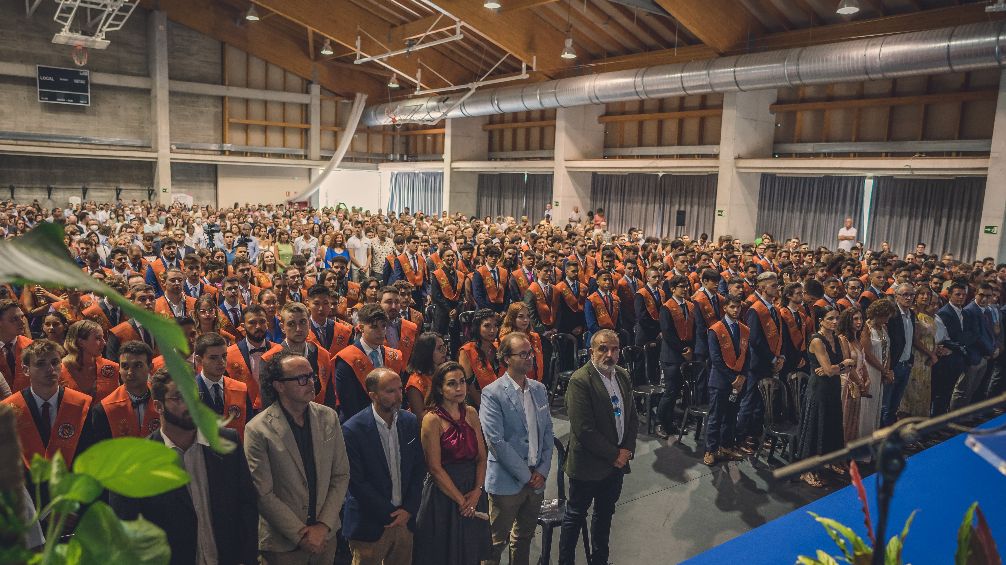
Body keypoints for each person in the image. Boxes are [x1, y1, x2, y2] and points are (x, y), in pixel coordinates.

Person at [109, 368, 259, 565]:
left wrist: (247, 558)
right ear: (158, 406)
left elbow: (246, 504)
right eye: (179, 397)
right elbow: (127, 534)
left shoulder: (226, 442)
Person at [245, 351, 350, 564]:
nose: (311, 382)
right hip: (283, 545)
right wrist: (302, 534)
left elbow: (340, 475)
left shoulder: (328, 417)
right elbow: (263, 493)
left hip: (325, 538)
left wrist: (323, 526)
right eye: (302, 379)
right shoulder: (258, 429)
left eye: (311, 376)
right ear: (279, 385)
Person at [559, 329, 638, 565]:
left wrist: (627, 451)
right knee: (575, 517)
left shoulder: (622, 375)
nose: (609, 354)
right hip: (588, 466)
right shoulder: (580, 380)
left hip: (616, 465)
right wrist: (615, 454)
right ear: (591, 351)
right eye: (603, 348)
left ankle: (599, 561)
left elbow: (632, 417)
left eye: (614, 349)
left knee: (604, 516)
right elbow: (584, 430)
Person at [478, 332, 553, 565]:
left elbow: (548, 433)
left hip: (536, 480)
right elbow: (496, 442)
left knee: (524, 538)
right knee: (495, 543)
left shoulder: (539, 389)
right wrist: (527, 476)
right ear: (506, 358)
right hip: (507, 481)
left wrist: (542, 470)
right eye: (523, 354)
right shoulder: (492, 393)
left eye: (530, 352)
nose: (530, 357)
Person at [342, 368, 426, 565]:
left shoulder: (410, 421)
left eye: (399, 389)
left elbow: (418, 468)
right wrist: (389, 514)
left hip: (405, 520)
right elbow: (356, 482)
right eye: (390, 391)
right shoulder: (352, 429)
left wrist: (408, 509)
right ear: (373, 395)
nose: (398, 396)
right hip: (370, 523)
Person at [414, 361, 491, 564]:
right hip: (444, 496)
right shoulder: (431, 419)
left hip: (473, 491)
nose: (459, 388)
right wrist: (462, 501)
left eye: (462, 382)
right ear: (440, 388)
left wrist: (477, 491)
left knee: (471, 555)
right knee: (444, 556)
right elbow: (435, 468)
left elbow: (482, 458)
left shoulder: (472, 413)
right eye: (451, 384)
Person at [2, 339, 94, 468]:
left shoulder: (82, 404)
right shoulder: (9, 409)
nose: (50, 369)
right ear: (26, 370)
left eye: (55, 362)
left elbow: (90, 453)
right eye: (40, 364)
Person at [797, 306, 852, 487]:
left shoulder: (838, 338)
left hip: (834, 387)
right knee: (815, 427)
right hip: (818, 390)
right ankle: (807, 470)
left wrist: (838, 366)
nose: (835, 322)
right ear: (821, 320)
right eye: (830, 318)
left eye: (837, 318)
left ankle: (831, 460)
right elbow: (830, 369)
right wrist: (841, 365)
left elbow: (850, 363)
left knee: (832, 424)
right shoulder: (816, 341)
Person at [335, 303, 405, 422]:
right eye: (374, 327)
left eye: (383, 326)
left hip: (392, 420)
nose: (380, 331)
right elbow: (349, 404)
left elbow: (401, 395)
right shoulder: (346, 359)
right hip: (359, 424)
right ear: (361, 327)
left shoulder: (394, 355)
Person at [703, 296, 747, 466]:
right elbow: (715, 359)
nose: (736, 310)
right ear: (725, 309)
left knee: (731, 416)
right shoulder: (716, 329)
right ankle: (710, 450)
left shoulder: (744, 329)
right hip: (720, 381)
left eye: (738, 307)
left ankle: (726, 447)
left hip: (739, 379)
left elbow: (747, 355)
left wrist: (742, 376)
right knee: (715, 417)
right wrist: (733, 379)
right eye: (732, 307)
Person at [656, 274, 697, 439]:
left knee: (678, 391)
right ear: (673, 289)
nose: (685, 289)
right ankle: (661, 423)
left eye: (687, 286)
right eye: (681, 286)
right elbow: (667, 333)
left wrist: (690, 348)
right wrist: (683, 350)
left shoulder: (690, 306)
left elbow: (693, 330)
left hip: (685, 353)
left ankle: (671, 424)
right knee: (670, 391)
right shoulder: (666, 307)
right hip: (672, 355)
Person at [90, 340, 158, 440]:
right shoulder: (103, 410)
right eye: (125, 366)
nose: (130, 372)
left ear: (150, 368)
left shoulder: (164, 400)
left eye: (137, 365)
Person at [193, 332, 255, 439]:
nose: (221, 362)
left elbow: (250, 427)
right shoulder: (188, 391)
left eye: (224, 356)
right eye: (213, 358)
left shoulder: (241, 388)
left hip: (237, 452)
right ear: (199, 360)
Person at [951, 282, 998, 409]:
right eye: (981, 295)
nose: (984, 299)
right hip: (972, 357)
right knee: (962, 391)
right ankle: (952, 420)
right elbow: (977, 336)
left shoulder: (987, 310)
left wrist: (994, 347)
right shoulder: (969, 311)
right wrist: (990, 350)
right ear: (975, 294)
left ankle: (963, 417)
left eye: (988, 296)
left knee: (972, 390)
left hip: (983, 357)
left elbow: (991, 332)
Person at [882, 283, 919, 426]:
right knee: (885, 406)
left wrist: (910, 361)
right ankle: (881, 439)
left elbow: (910, 340)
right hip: (893, 366)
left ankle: (890, 436)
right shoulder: (892, 315)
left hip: (905, 365)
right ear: (896, 297)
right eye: (905, 295)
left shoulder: (912, 314)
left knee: (894, 406)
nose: (909, 298)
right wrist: (888, 367)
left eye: (911, 295)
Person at [859, 299, 894, 440]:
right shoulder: (866, 328)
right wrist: (883, 370)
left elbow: (888, 350)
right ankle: (863, 445)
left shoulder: (883, 327)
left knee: (877, 407)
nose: (887, 320)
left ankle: (873, 441)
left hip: (881, 370)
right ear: (878, 314)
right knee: (867, 407)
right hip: (871, 370)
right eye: (885, 316)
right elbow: (867, 353)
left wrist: (887, 369)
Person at [901, 290, 939, 417]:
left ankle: (920, 423)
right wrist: (931, 354)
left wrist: (934, 353)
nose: (925, 296)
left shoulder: (928, 314)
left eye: (928, 294)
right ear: (915, 297)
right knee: (913, 390)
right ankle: (909, 424)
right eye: (922, 294)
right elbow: (915, 339)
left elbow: (933, 337)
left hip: (927, 358)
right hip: (917, 355)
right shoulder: (914, 313)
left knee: (924, 389)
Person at [60, 319, 120, 401]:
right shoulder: (58, 370)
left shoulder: (111, 368)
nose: (104, 343)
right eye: (98, 338)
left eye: (103, 337)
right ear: (80, 342)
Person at [458, 308, 503, 407]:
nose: (492, 330)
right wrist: (485, 407)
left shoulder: (498, 347)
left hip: (500, 399)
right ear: (477, 327)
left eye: (495, 326)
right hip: (477, 403)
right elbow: (469, 385)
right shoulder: (467, 350)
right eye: (487, 326)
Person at [836, 309, 867, 445]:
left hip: (858, 383)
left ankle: (848, 454)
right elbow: (848, 365)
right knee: (843, 421)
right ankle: (838, 457)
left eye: (861, 318)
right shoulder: (843, 339)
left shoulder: (857, 339)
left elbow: (863, 362)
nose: (859, 322)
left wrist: (867, 379)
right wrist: (860, 382)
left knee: (853, 421)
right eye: (855, 319)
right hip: (847, 383)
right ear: (848, 320)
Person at [405, 332, 447, 422]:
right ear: (427, 352)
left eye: (444, 346)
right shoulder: (415, 382)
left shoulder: (447, 372)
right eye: (439, 348)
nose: (444, 351)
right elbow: (420, 418)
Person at [499, 302, 545, 382]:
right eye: (521, 316)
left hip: (534, 382)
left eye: (528, 316)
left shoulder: (535, 337)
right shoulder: (505, 339)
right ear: (512, 318)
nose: (526, 320)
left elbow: (539, 363)